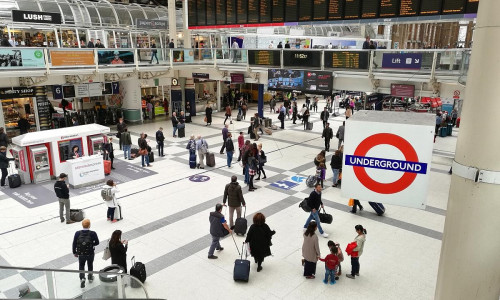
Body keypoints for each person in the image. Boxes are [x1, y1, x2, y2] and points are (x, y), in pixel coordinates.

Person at [72, 219, 99, 288]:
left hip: (81, 253)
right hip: (90, 253)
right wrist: (92, 244)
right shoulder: (93, 233)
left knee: (81, 265)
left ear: (82, 225)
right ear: (89, 225)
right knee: (90, 264)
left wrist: (75, 252)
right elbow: (97, 242)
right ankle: (90, 277)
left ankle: (82, 278)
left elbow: (74, 243)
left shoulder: (77, 233)